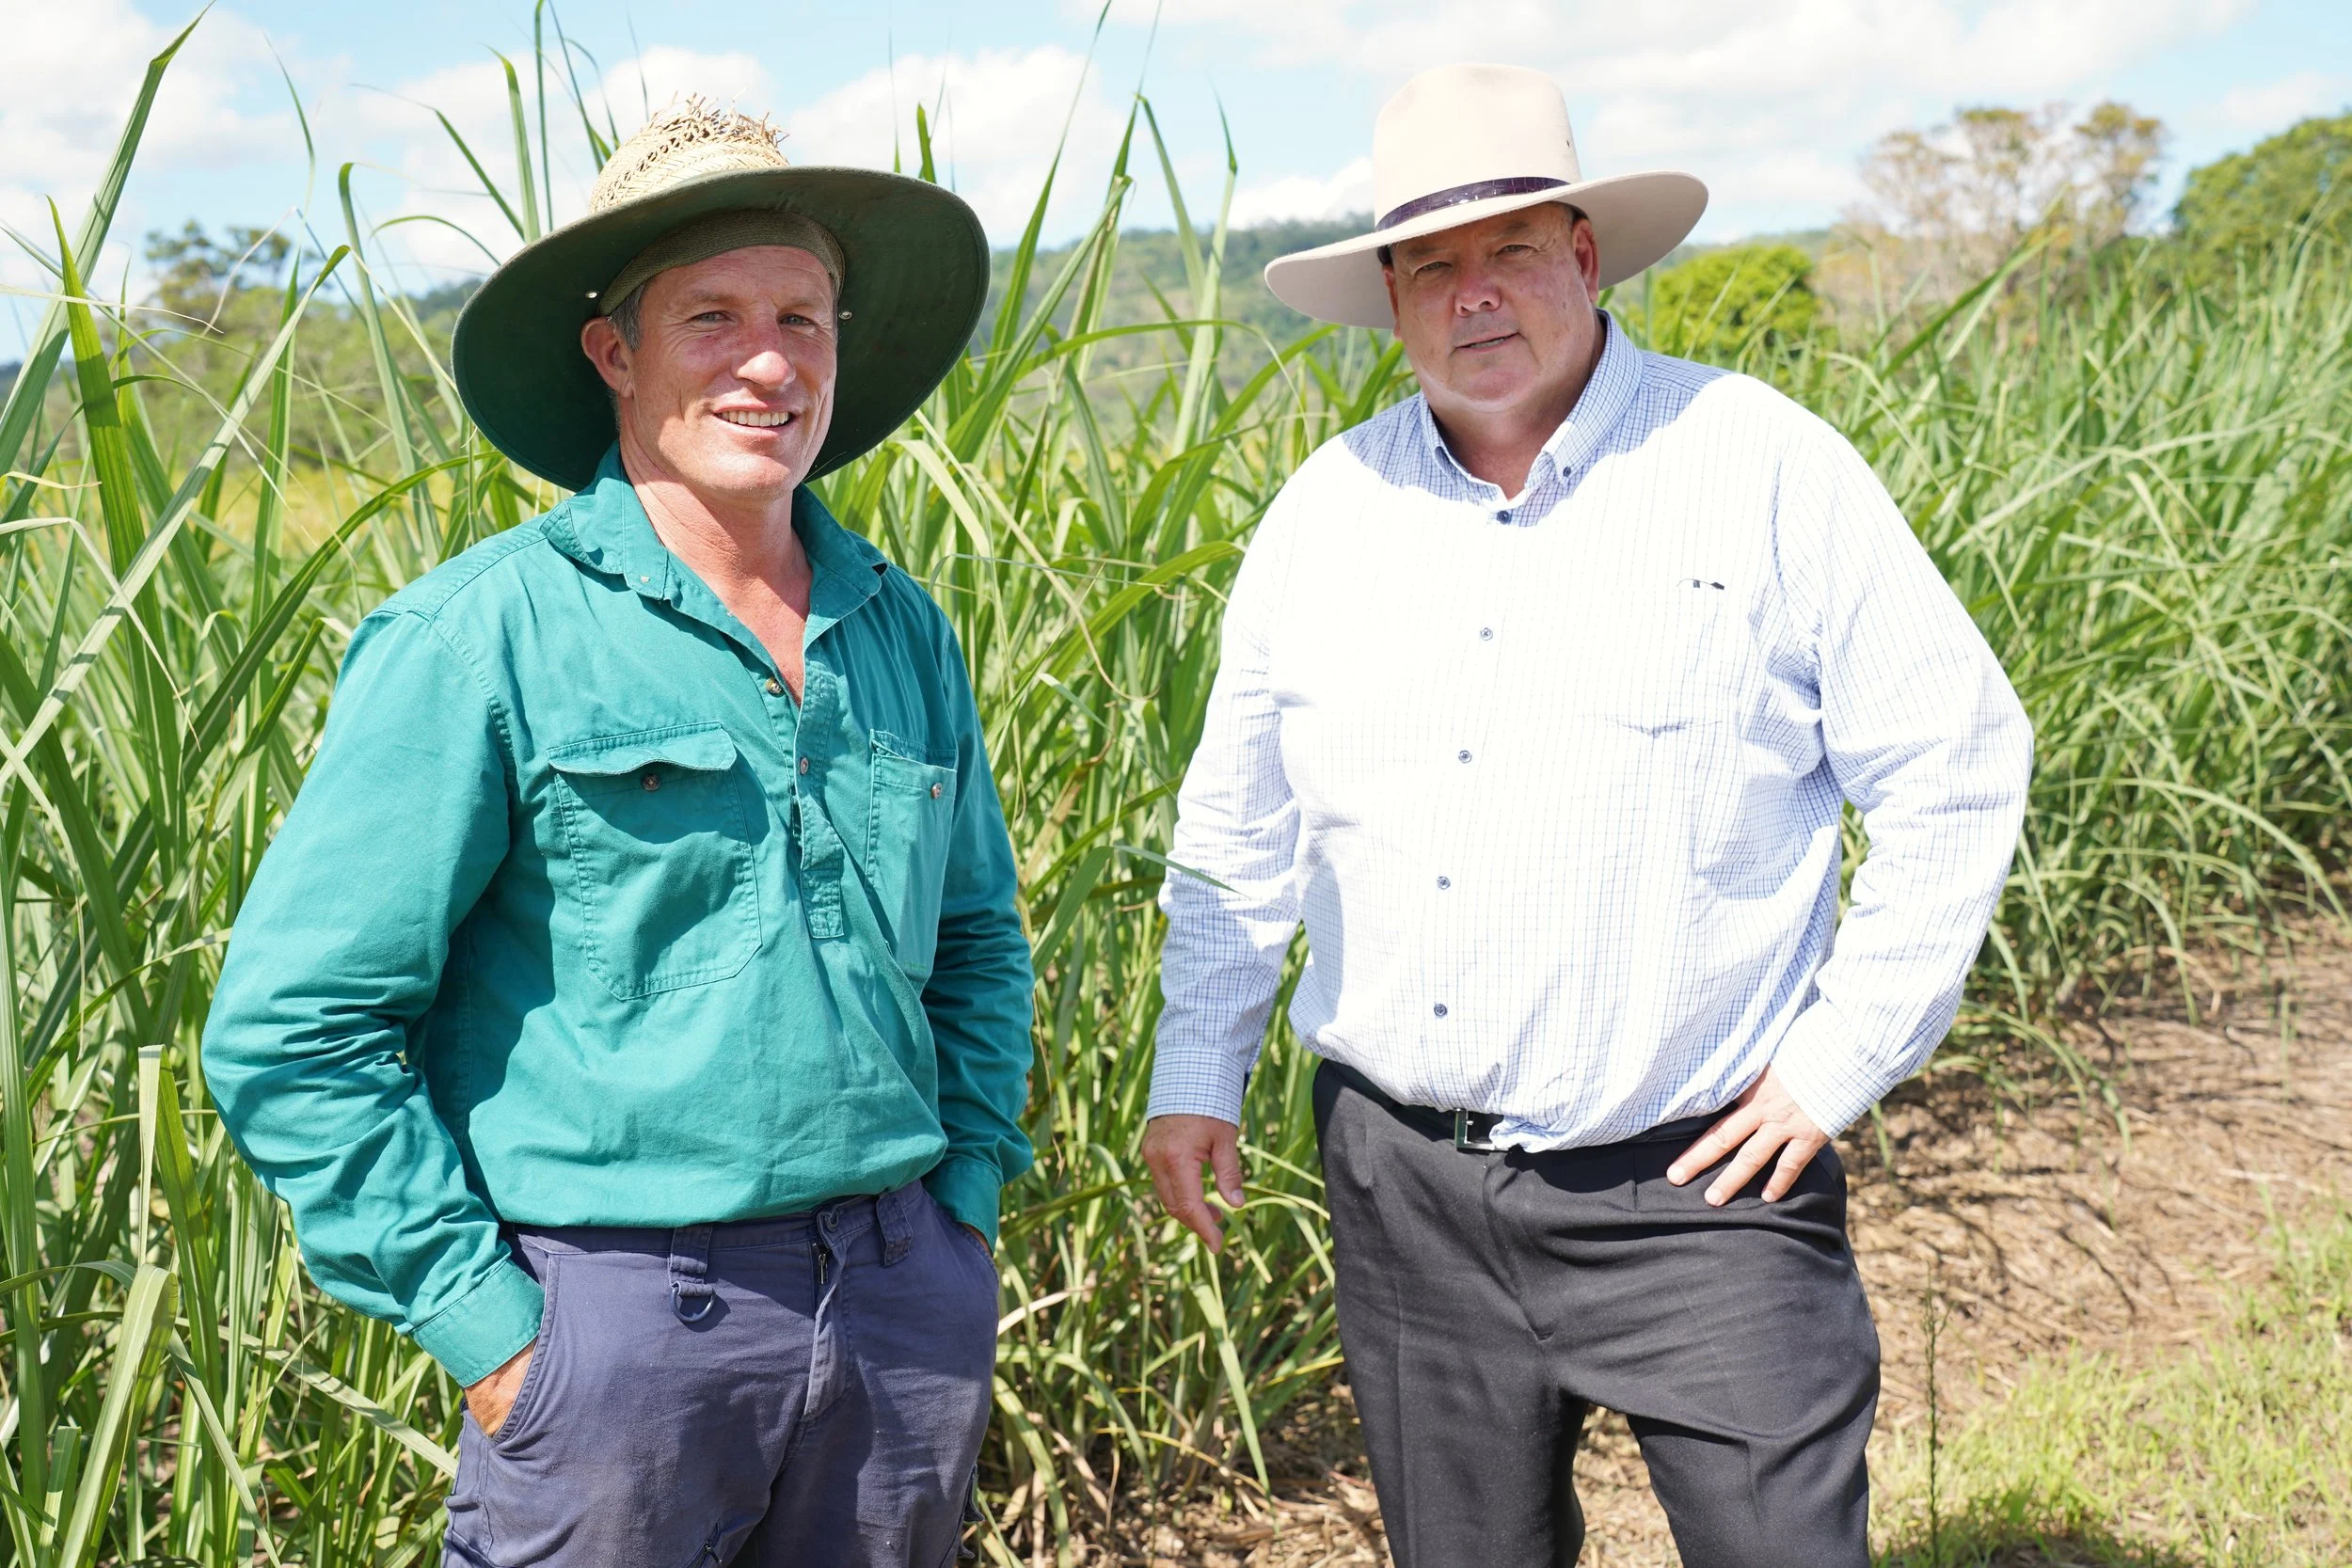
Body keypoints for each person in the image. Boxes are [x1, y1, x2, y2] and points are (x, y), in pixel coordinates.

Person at [1140, 63, 2032, 1568]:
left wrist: (1837, 1062)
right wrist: (1196, 1063)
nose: (1472, 294)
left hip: (1704, 1186)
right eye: (1432, 263)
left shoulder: (1757, 467)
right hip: (1406, 1188)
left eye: (1508, 249)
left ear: (1586, 255)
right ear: (1392, 295)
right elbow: (1241, 822)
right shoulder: (1325, 516)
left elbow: (1954, 756)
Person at [203, 103, 1032, 1567]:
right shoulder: (479, 639)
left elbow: (976, 941)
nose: (769, 359)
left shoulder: (902, 632)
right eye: (712, 315)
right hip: (621, 1334)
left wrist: (960, 1207)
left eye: (801, 315)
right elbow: (297, 1025)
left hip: (904, 1313)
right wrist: (499, 1330)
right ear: (615, 351)